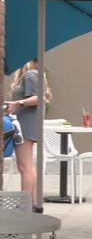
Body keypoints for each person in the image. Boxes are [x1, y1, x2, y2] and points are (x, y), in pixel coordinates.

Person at [7, 59, 52, 211]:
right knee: (28, 166)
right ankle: (33, 203)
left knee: (24, 166)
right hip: (27, 123)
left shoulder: (30, 74)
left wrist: (17, 103)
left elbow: (38, 98)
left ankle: (25, 205)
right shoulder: (31, 75)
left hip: (26, 125)